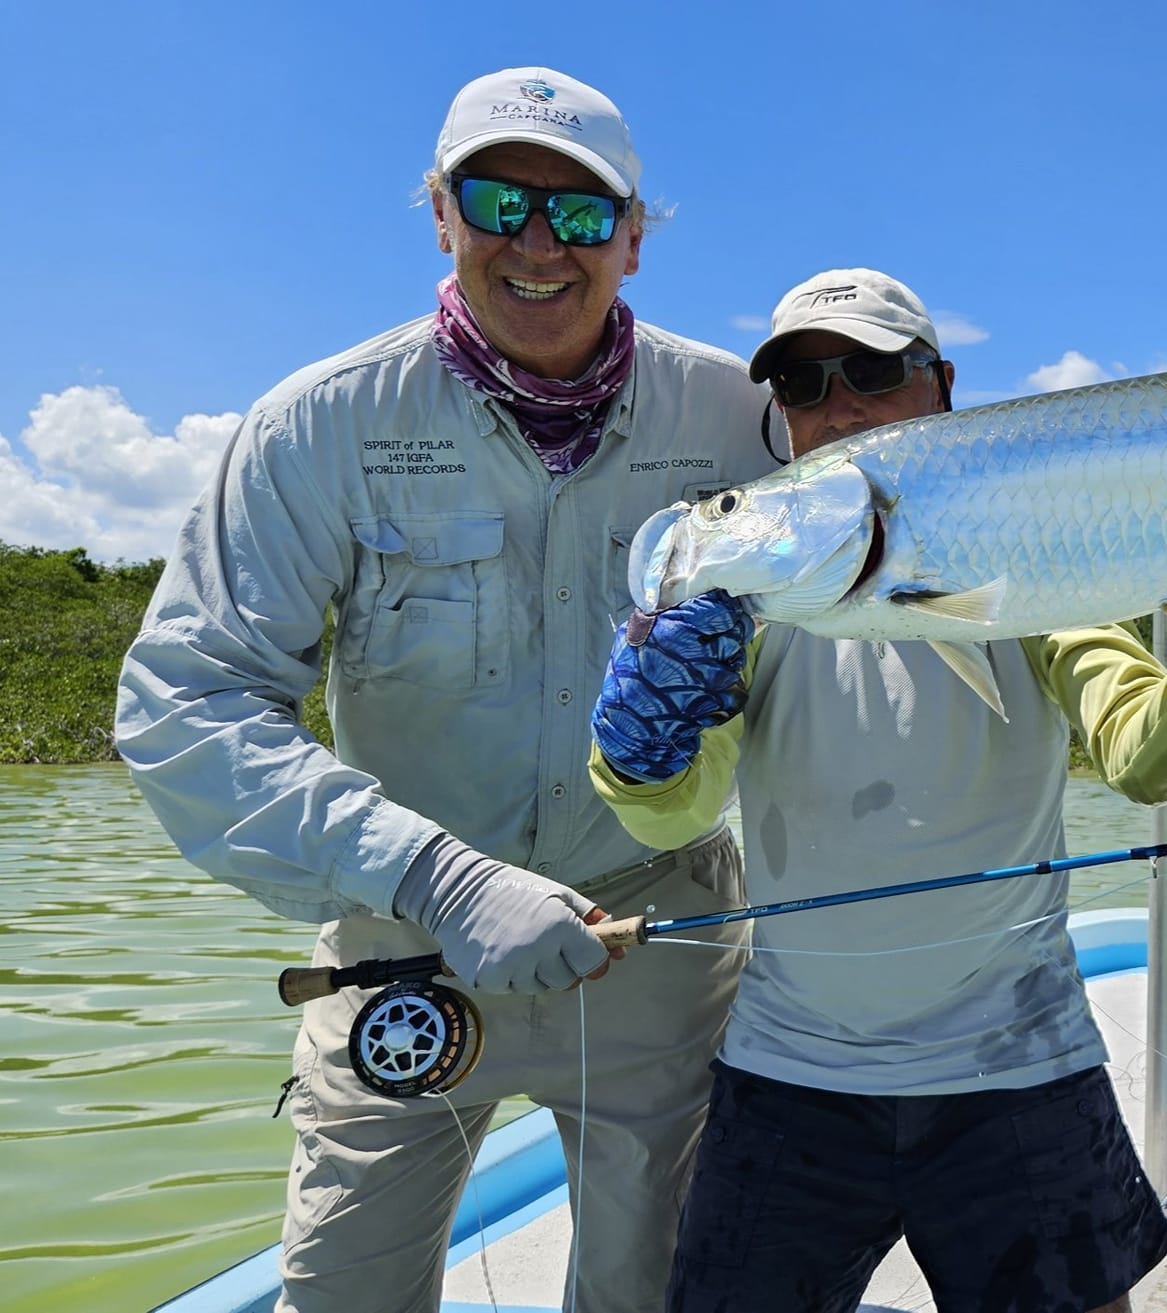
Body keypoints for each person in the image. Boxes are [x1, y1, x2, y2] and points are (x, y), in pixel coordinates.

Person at [588, 267, 1167, 1311]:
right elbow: (675, 812)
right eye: (801, 385)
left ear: (939, 386)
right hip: (791, 1067)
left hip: (1019, 1064)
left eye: (872, 372)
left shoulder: (1036, 565)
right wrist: (638, 749)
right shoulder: (747, 601)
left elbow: (1142, 757)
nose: (838, 406)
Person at [114, 67, 779, 1313]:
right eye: (496, 201)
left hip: (658, 929)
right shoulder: (317, 425)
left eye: (580, 212)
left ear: (634, 237)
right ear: (438, 213)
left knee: (653, 1291)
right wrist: (439, 878)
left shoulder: (744, 417)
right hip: (399, 932)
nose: (538, 243)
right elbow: (185, 700)